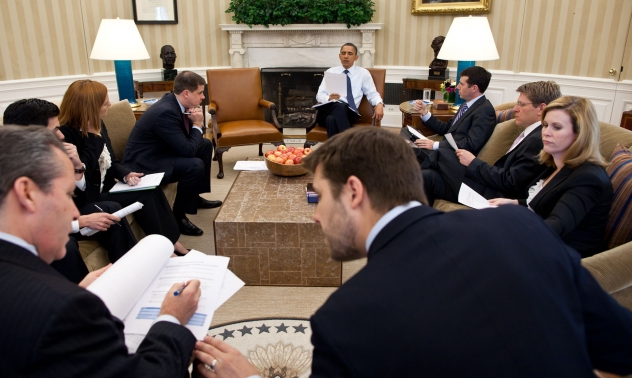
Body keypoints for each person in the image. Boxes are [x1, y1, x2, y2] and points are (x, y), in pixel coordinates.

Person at [192, 127, 632, 377]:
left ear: (353, 191)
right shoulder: (519, 225)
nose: (315, 216)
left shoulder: (346, 318)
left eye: (319, 198)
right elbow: (621, 348)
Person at [0, 125, 202, 377]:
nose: (75, 214)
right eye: (66, 194)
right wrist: (171, 319)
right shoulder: (61, 309)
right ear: (27, 193)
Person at [3, 98, 137, 283]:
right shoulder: (7, 169)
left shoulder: (48, 154)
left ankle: (132, 273)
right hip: (34, 232)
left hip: (58, 219)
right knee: (66, 245)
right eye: (54, 130)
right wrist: (79, 222)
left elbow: (81, 201)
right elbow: (26, 223)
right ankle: (83, 298)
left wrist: (77, 167)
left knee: (109, 211)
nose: (61, 136)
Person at [58, 80, 191, 255]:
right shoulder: (66, 135)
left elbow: (111, 161)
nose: (109, 104)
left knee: (149, 189)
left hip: (106, 188)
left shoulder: (98, 123)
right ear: (91, 106)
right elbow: (83, 174)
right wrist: (92, 137)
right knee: (140, 195)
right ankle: (168, 248)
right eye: (105, 102)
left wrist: (126, 174)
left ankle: (171, 243)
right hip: (88, 198)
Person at [490, 96, 613, 257]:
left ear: (579, 134)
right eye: (545, 125)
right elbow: (548, 203)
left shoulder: (588, 178)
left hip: (563, 257)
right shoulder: (556, 163)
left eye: (557, 127)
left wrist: (505, 233)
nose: (546, 133)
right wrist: (513, 202)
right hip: (541, 242)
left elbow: (556, 225)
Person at [422, 81, 562, 205]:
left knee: (440, 154)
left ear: (541, 108)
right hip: (490, 184)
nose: (515, 109)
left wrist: (473, 162)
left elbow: (511, 182)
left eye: (521, 104)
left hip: (495, 195)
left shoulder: (539, 139)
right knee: (427, 176)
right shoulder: (533, 133)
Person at [123, 71, 221, 238]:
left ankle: (194, 197)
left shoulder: (177, 103)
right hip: (145, 164)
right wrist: (197, 124)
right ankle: (178, 216)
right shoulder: (165, 112)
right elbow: (187, 150)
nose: (203, 97)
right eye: (200, 93)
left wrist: (195, 125)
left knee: (204, 145)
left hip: (161, 151)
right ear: (186, 93)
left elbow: (188, 142)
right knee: (194, 165)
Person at [400, 65, 496, 166]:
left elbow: (471, 144)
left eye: (462, 84)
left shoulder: (485, 110)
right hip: (442, 149)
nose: (458, 87)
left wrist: (435, 145)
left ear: (474, 88)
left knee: (407, 149)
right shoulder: (466, 105)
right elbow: (445, 128)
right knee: (407, 131)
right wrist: (424, 112)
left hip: (450, 158)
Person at [314, 43, 384, 138]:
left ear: (356, 57)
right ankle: (350, 144)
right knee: (339, 106)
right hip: (328, 110)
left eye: (350, 53)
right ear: (339, 56)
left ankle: (337, 151)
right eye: (343, 53)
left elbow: (372, 93)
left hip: (349, 114)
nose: (346, 56)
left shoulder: (363, 74)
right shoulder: (331, 72)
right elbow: (319, 95)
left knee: (331, 119)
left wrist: (379, 104)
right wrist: (328, 98)